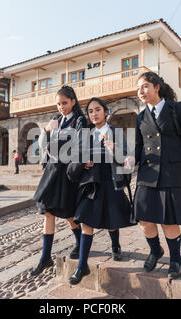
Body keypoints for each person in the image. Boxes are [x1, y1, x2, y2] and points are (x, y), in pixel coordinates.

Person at [133, 72, 181, 279]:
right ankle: (156, 250)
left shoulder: (177, 109)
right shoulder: (140, 117)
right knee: (144, 219)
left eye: (145, 86)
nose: (141, 91)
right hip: (148, 174)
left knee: (169, 221)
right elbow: (138, 148)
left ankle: (175, 259)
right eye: (138, 88)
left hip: (174, 172)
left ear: (157, 87)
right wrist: (127, 160)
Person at [66, 98, 135, 285]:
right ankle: (82, 266)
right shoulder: (85, 136)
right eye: (90, 111)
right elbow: (71, 167)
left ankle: (115, 245)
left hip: (112, 182)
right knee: (86, 223)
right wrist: (83, 162)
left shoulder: (116, 133)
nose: (94, 113)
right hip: (91, 186)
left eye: (98, 109)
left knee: (111, 222)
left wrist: (115, 151)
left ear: (106, 112)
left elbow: (128, 162)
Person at [30, 86, 88, 276]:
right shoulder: (56, 121)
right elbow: (41, 146)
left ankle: (80, 242)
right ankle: (45, 257)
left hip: (67, 172)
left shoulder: (79, 120)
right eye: (58, 104)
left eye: (64, 103)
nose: (61, 107)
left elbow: (81, 145)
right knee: (47, 211)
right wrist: (46, 131)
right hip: (52, 170)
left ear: (73, 101)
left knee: (68, 213)